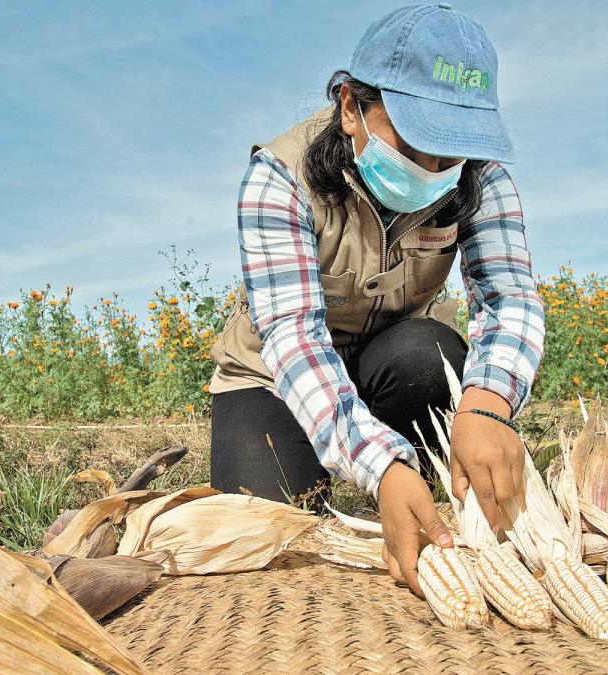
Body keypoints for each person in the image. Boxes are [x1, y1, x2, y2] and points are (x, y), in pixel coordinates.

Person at [207, 3, 545, 596]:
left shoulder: (481, 179)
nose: (434, 169)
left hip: (391, 357)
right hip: (275, 376)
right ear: (350, 108)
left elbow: (509, 299)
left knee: (428, 356)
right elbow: (293, 337)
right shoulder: (279, 177)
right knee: (267, 515)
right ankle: (386, 474)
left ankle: (417, 475)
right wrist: (381, 465)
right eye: (415, 144)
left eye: (450, 152)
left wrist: (489, 404)